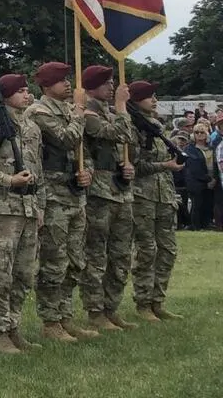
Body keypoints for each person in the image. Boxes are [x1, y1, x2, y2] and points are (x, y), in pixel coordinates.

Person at [0, 75, 45, 355]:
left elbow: (39, 172)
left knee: (24, 273)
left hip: (27, 209)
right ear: (6, 96)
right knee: (0, 273)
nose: (28, 95)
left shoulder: (32, 127)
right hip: (2, 209)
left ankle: (14, 327)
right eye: (21, 91)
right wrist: (9, 180)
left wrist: (40, 207)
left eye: (28, 90)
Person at [26, 62, 98, 343]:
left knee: (75, 259)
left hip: (74, 193)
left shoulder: (70, 111)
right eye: (60, 80)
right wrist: (79, 113)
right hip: (53, 195)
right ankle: (50, 321)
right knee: (54, 260)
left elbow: (84, 150)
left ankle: (66, 316)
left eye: (67, 79)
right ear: (45, 86)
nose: (68, 84)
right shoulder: (39, 112)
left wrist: (87, 170)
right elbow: (68, 139)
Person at [78, 65, 137, 332]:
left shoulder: (109, 113)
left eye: (112, 82)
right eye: (106, 83)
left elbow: (130, 139)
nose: (112, 87)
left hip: (119, 188)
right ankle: (95, 310)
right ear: (91, 87)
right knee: (97, 254)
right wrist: (122, 107)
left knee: (121, 254)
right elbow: (119, 133)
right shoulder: (89, 114)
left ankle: (112, 307)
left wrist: (128, 166)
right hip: (99, 193)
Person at [128, 81, 185, 322]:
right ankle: (143, 303)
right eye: (149, 96)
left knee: (168, 250)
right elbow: (133, 166)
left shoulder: (156, 125)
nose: (154, 100)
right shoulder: (133, 127)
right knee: (146, 251)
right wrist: (165, 165)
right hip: (143, 196)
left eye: (155, 95)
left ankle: (158, 300)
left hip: (164, 196)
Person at [184, 123, 216, 230]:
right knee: (197, 205)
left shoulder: (211, 148)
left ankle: (206, 224)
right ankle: (196, 226)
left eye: (202, 132)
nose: (199, 134)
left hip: (211, 181)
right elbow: (194, 168)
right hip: (196, 182)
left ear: (206, 134)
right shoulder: (190, 149)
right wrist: (208, 179)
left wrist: (214, 178)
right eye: (196, 132)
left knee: (208, 204)